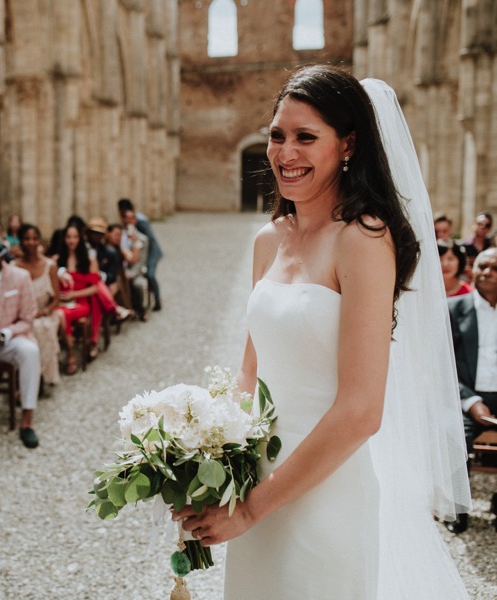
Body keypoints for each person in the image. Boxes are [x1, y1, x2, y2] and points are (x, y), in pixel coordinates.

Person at [174, 66, 470, 598]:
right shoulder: (267, 240)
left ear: (348, 144)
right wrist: (208, 463)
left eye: (306, 137)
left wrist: (251, 510)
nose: (286, 153)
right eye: (277, 135)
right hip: (255, 475)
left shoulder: (363, 238)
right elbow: (250, 369)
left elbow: (361, 410)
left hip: (324, 489)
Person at [445, 248, 497, 533]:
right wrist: (471, 401)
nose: (487, 272)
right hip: (463, 396)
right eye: (482, 266)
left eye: (494, 268)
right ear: (472, 270)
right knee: (455, 436)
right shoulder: (453, 309)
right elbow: (441, 364)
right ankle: (457, 509)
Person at [0, 234, 41, 447]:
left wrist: (4, 333)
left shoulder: (20, 277)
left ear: (2, 258)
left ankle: (27, 421)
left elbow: (28, 319)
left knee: (30, 351)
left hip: (6, 340)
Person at [14, 223, 63, 391]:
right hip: (21, 316)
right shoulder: (14, 267)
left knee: (42, 328)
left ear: (39, 241)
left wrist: (44, 311)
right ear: (21, 241)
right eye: (27, 239)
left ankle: (40, 377)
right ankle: (30, 379)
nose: (31, 242)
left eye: (34, 238)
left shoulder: (50, 266)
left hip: (44, 314)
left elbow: (56, 298)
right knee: (30, 329)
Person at [53, 223, 99, 373]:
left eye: (75, 237)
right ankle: (64, 352)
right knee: (58, 313)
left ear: (80, 239)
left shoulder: (89, 261)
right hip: (61, 302)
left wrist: (74, 294)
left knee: (60, 315)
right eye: (68, 237)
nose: (71, 240)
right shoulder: (58, 260)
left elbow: (94, 287)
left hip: (80, 303)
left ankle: (70, 353)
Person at [117, 198, 163, 310]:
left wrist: (144, 258)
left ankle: (157, 300)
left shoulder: (140, 221)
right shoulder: (128, 225)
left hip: (150, 251)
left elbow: (149, 240)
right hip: (139, 250)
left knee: (150, 274)